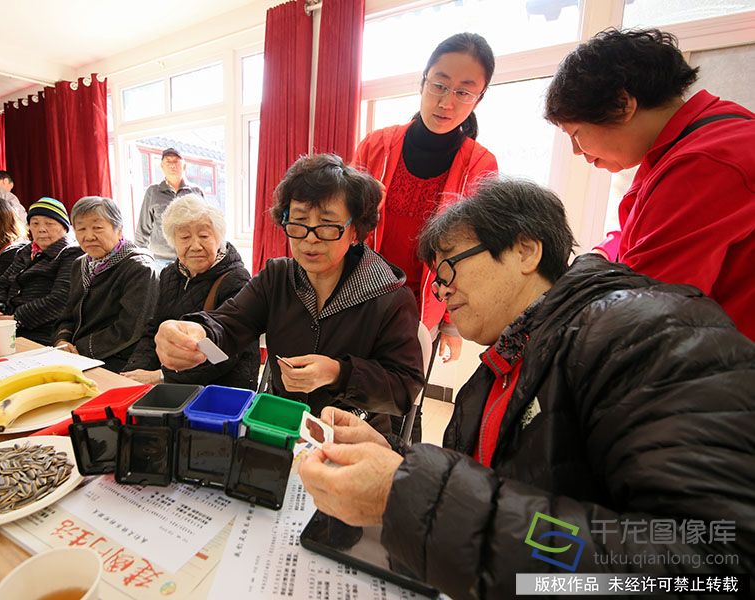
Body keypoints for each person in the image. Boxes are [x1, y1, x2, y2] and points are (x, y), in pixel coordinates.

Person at [298, 178, 755, 598]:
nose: (443, 292)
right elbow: (490, 489)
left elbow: (717, 568)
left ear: (526, 251)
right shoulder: (496, 372)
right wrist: (399, 460)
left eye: (450, 268)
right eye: (437, 280)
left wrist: (403, 495)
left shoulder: (645, 332)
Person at [155, 154, 424, 432]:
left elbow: (404, 389)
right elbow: (230, 323)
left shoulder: (388, 295)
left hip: (352, 437)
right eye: (298, 222)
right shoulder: (278, 278)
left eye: (327, 225)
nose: (310, 237)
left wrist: (338, 373)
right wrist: (198, 332)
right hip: (281, 425)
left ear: (354, 230)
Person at [544, 28, 755, 341]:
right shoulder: (691, 141)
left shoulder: (707, 163)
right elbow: (642, 235)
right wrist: (596, 258)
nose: (577, 152)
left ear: (622, 104)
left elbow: (645, 305)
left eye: (575, 134)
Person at [353, 32, 498, 438]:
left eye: (464, 92)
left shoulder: (480, 166)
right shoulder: (376, 146)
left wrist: (451, 324)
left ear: (478, 99)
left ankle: (391, 480)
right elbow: (343, 223)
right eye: (439, 84)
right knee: (347, 393)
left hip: (421, 310)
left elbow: (472, 254)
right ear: (422, 83)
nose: (447, 101)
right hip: (360, 294)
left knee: (398, 408)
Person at [122, 194, 259, 389]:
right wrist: (134, 371)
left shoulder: (236, 280)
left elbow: (225, 354)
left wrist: (160, 376)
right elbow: (154, 329)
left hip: (221, 387)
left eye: (204, 236)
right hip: (175, 382)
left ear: (218, 238)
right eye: (185, 237)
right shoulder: (170, 274)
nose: (195, 246)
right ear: (173, 241)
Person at [52, 197, 159, 372]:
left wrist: (81, 349)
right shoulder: (80, 264)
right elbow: (68, 313)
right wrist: (62, 340)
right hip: (75, 355)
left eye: (97, 228)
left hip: (118, 359)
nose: (88, 236)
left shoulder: (139, 267)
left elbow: (131, 328)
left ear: (119, 230)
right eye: (81, 228)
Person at [0, 197, 82, 345]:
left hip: (42, 330)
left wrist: (17, 318)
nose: (41, 229)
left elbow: (60, 299)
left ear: (64, 227)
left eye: (49, 223)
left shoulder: (72, 253)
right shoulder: (25, 251)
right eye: (35, 223)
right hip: (7, 325)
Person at [135, 148, 205, 270]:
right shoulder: (153, 192)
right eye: (168, 161)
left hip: (189, 257)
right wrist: (139, 258)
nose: (172, 165)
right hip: (160, 260)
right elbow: (143, 228)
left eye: (176, 161)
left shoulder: (196, 192)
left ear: (184, 166)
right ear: (162, 166)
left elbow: (204, 226)